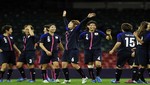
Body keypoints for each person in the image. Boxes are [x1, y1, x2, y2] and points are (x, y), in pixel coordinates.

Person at [61, 10, 95, 84]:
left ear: (75, 25)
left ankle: (84, 77)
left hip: (73, 49)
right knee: (63, 65)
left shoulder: (76, 30)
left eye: (70, 23)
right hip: (66, 50)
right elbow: (66, 23)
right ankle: (67, 79)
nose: (69, 24)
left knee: (74, 64)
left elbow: (80, 24)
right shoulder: (68, 30)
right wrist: (64, 17)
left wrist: (87, 18)